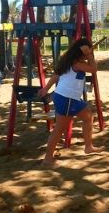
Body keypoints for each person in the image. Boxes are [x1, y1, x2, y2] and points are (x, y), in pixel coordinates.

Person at [38, 38, 101, 166]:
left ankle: (88, 147)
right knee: (59, 129)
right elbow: (94, 69)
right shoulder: (76, 63)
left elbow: (56, 75)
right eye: (89, 51)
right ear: (82, 52)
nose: (90, 53)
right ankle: (48, 158)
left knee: (88, 117)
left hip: (70, 98)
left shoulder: (68, 61)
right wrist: (89, 55)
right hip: (66, 98)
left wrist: (46, 88)